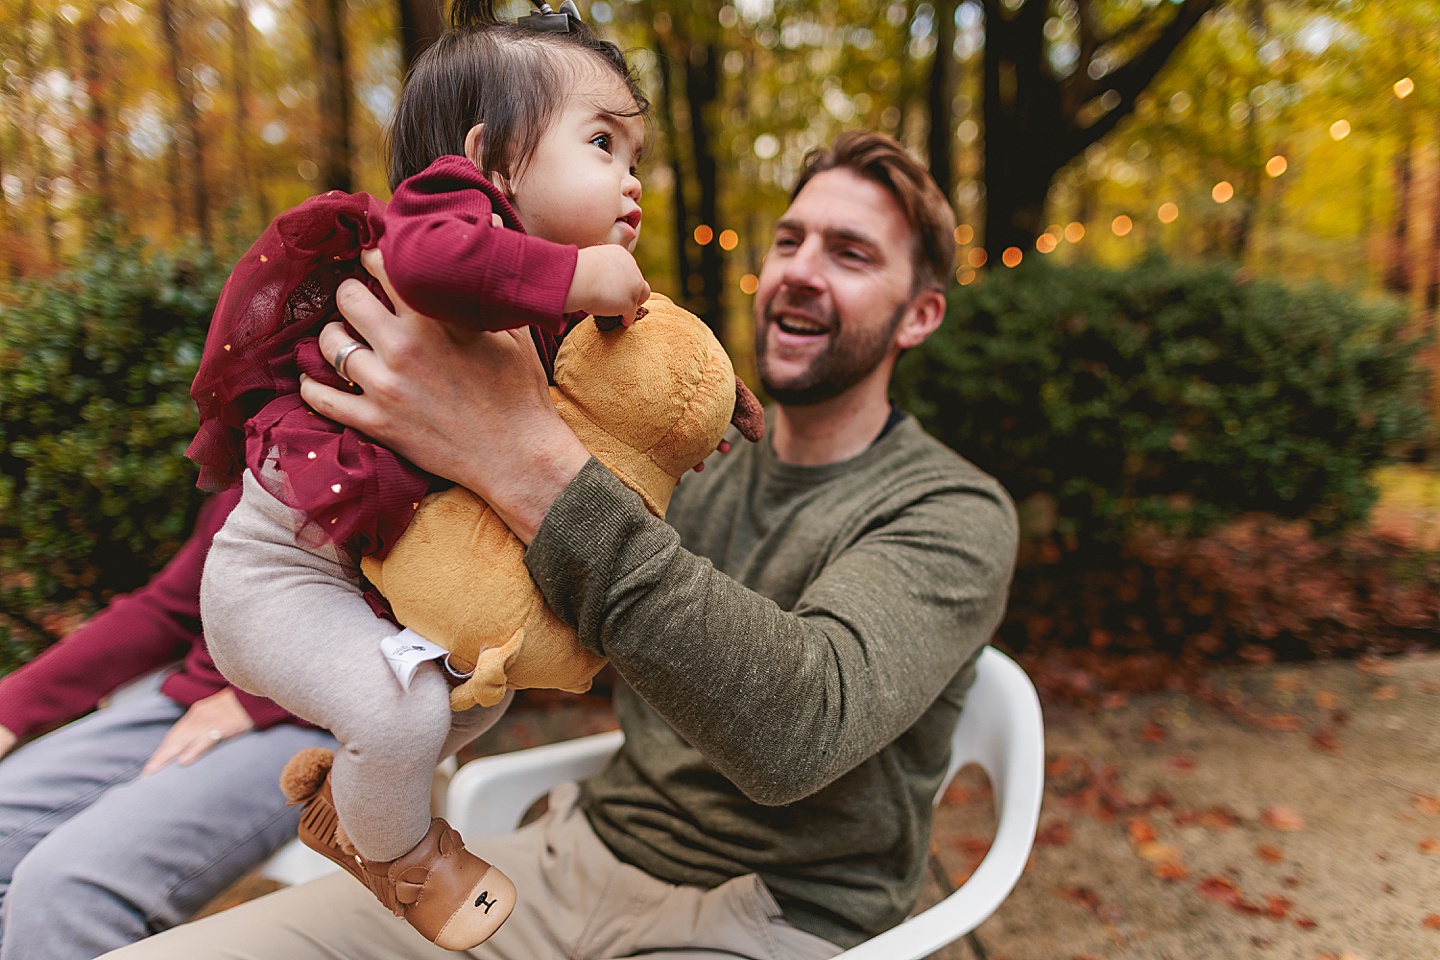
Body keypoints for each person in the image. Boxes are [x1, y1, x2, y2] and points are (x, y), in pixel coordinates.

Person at [103, 130, 1018, 960]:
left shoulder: (954, 510)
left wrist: (521, 455)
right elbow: (448, 582)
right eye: (790, 241)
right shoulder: (689, 467)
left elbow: (795, 732)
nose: (801, 271)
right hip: (568, 858)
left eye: (851, 254)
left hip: (770, 916)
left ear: (920, 315)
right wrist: (261, 675)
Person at [185, 0, 650, 949]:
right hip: (275, 579)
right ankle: (407, 867)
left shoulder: (530, 303)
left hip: (353, 594)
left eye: (636, 156)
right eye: (602, 142)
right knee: (400, 716)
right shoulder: (438, 215)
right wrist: (580, 279)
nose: (631, 181)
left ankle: (344, 803)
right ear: (485, 160)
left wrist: (712, 404)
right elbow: (437, 263)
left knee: (480, 692)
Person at [0, 488, 337, 960]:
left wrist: (258, 701)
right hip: (188, 701)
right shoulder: (271, 453)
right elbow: (171, 608)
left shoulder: (434, 471)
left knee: (68, 890)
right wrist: (11, 708)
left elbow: (451, 634)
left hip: (326, 721)